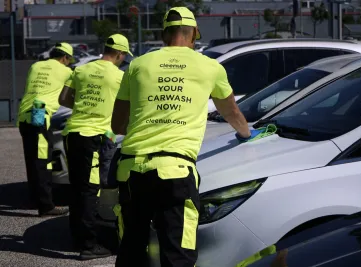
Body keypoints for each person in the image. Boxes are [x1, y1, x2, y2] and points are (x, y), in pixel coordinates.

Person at [111, 7, 266, 267]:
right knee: (177, 256)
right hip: (175, 173)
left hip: (131, 171)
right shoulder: (210, 67)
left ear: (164, 35)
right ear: (194, 34)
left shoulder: (137, 65)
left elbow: (117, 124)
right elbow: (231, 111)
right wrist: (247, 133)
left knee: (132, 252)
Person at [58, 34, 131, 260]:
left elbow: (63, 98)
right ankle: (89, 245)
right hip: (95, 137)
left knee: (77, 188)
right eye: (123, 57)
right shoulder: (119, 77)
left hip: (73, 134)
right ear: (119, 54)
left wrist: (83, 107)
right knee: (90, 191)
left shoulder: (81, 70)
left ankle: (77, 237)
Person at [18, 42, 74, 217]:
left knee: (32, 159)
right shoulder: (67, 72)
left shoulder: (35, 66)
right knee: (43, 161)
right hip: (41, 116)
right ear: (65, 57)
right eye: (69, 60)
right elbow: (70, 96)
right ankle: (46, 206)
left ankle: (35, 198)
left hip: (24, 115)